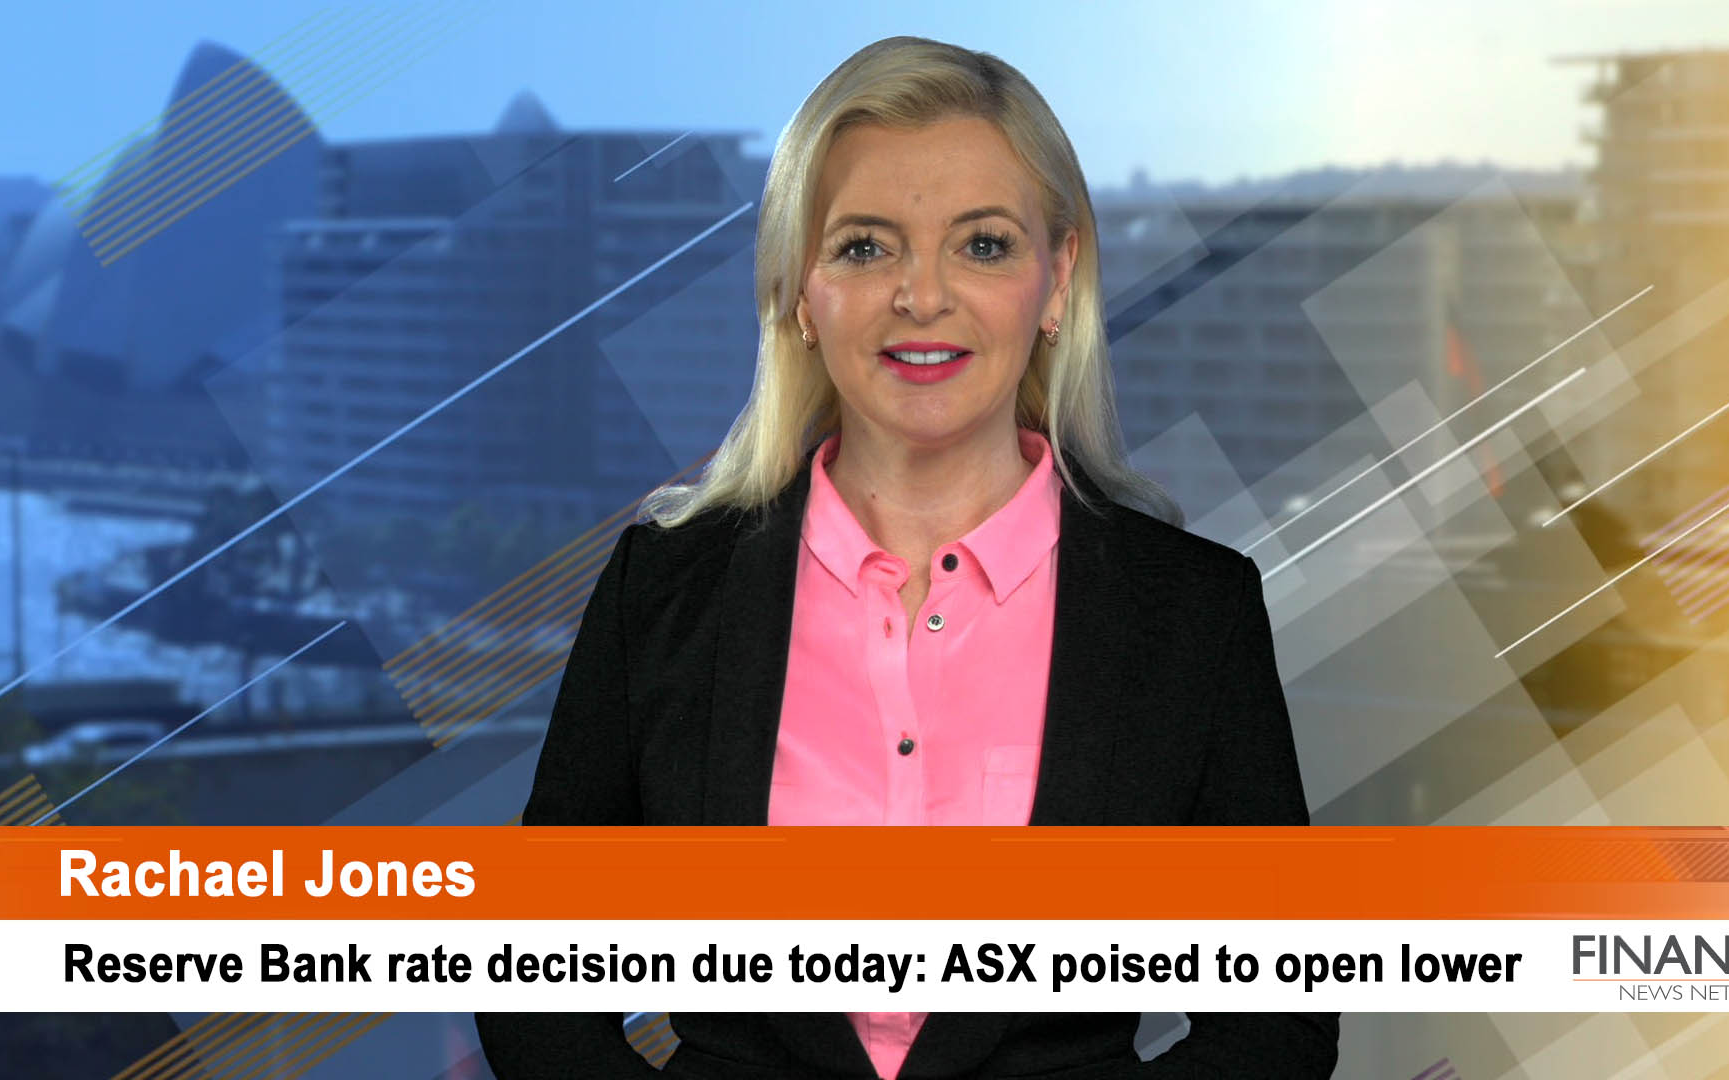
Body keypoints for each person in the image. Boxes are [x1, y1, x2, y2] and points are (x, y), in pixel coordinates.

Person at [476, 35, 1336, 1079]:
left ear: (1058, 278)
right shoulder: (661, 593)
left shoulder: (1195, 613)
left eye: (983, 245)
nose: (922, 298)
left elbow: (1276, 1024)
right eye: (864, 248)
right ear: (799, 289)